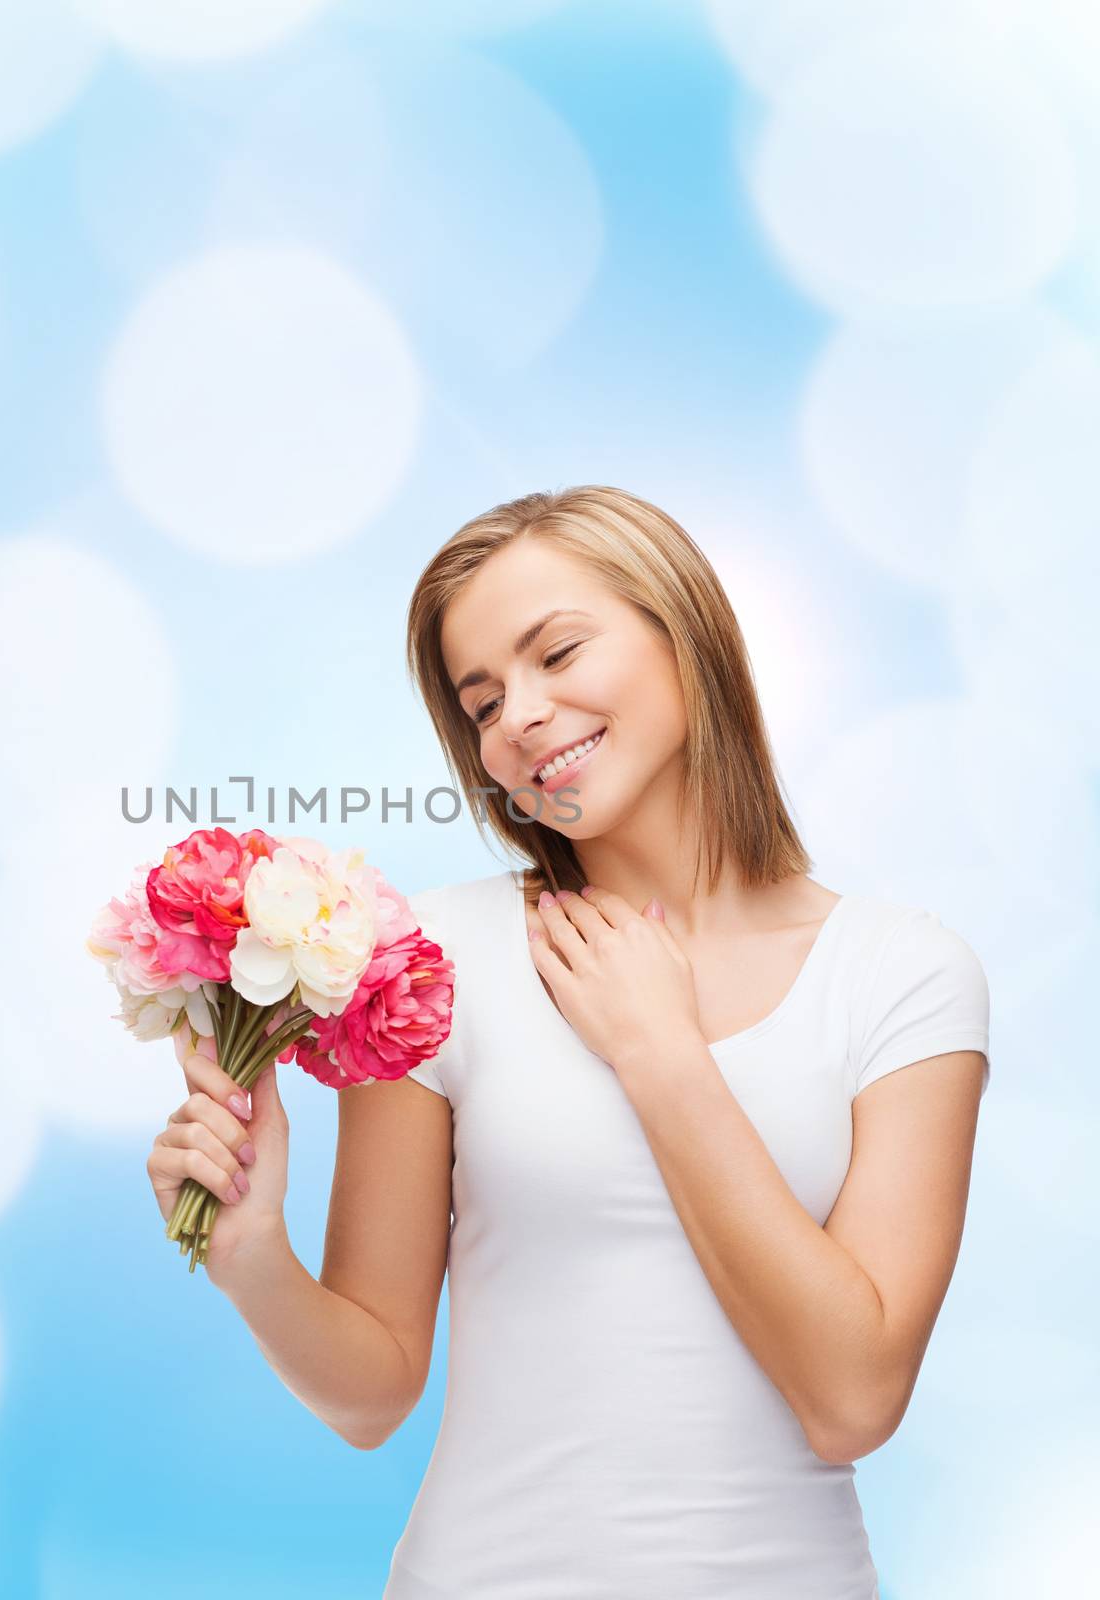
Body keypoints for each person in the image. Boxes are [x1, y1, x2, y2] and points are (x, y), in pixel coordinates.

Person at [145, 485, 990, 1599]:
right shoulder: (431, 963)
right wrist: (252, 1257)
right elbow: (372, 1392)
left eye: (557, 652)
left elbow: (851, 1399)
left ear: (683, 630)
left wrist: (663, 1058)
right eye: (482, 700)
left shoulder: (901, 976)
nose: (521, 718)